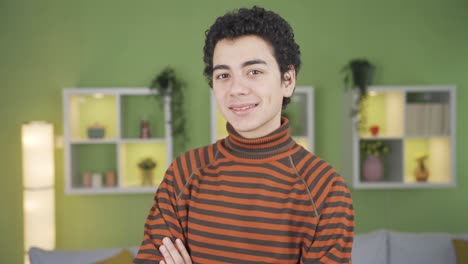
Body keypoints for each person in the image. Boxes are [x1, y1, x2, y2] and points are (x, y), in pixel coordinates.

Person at [134, 6, 354, 264]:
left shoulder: (326, 190)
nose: (236, 88)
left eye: (254, 72)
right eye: (223, 75)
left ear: (287, 80)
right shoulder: (183, 174)